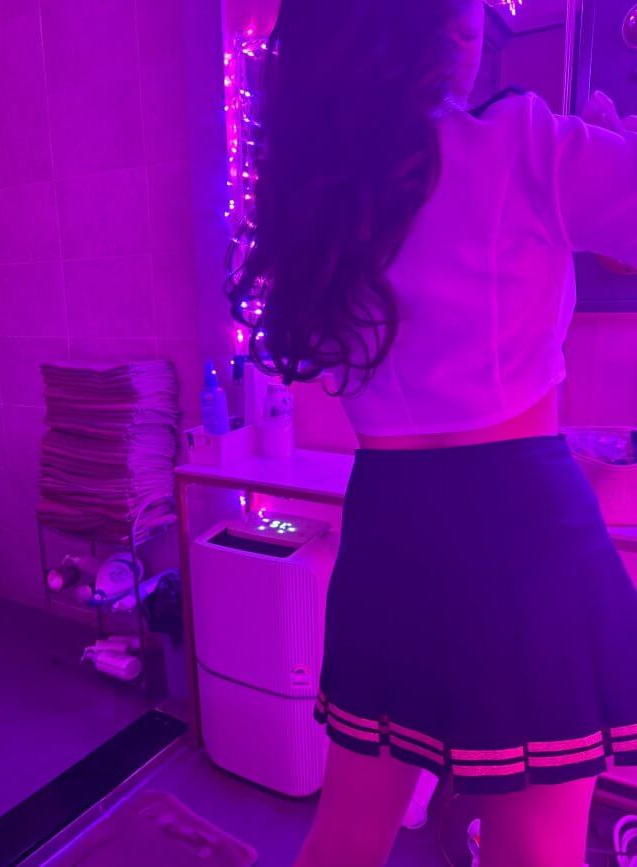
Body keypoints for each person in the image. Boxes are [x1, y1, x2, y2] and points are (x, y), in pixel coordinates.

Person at [228, 2, 637, 864]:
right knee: (535, 852)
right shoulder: (519, 143)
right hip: (522, 535)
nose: (476, 24)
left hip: (388, 532)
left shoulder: (328, 202)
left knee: (345, 833)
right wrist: (612, 141)